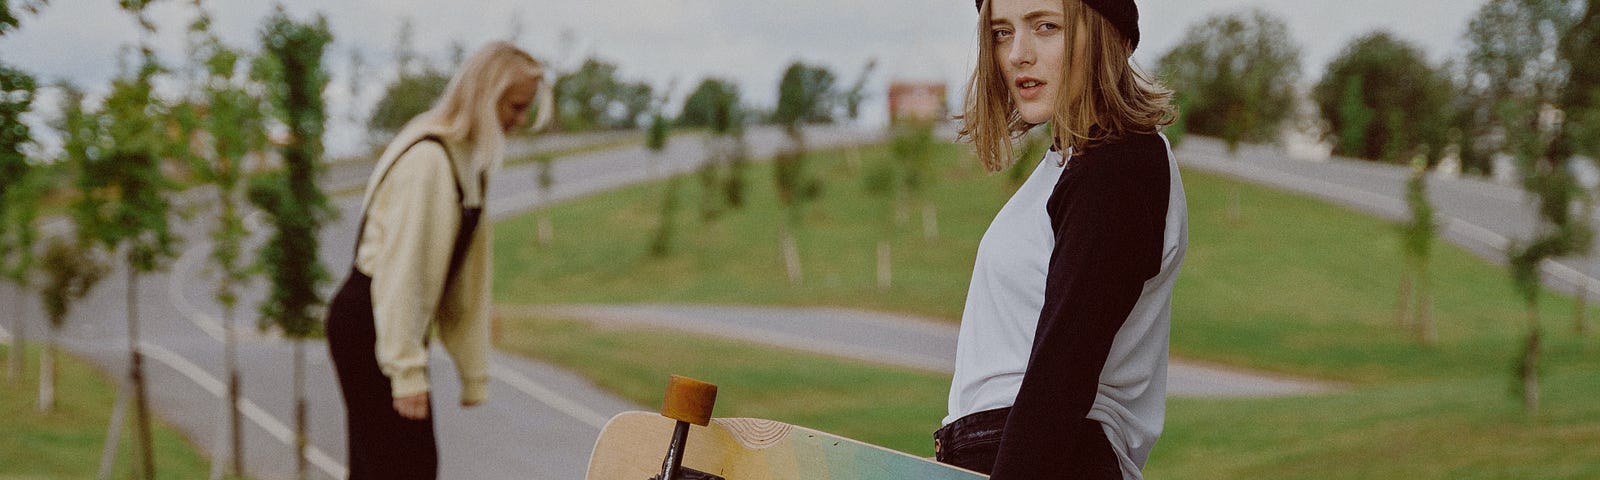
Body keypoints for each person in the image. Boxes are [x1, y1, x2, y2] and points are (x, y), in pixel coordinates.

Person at [934, 0, 1187, 479]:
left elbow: (1061, 381)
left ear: (1103, 34)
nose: (1016, 55)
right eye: (1002, 32)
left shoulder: (1118, 168)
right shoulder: (1073, 162)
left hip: (1053, 458)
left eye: (1045, 27)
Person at [326, 40, 552, 480]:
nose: (520, 120)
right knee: (404, 468)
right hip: (372, 321)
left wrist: (473, 370)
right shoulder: (430, 158)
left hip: (393, 324)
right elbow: (403, 274)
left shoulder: (471, 162)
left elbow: (467, 280)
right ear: (487, 97)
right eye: (516, 107)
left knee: (392, 467)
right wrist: (406, 371)